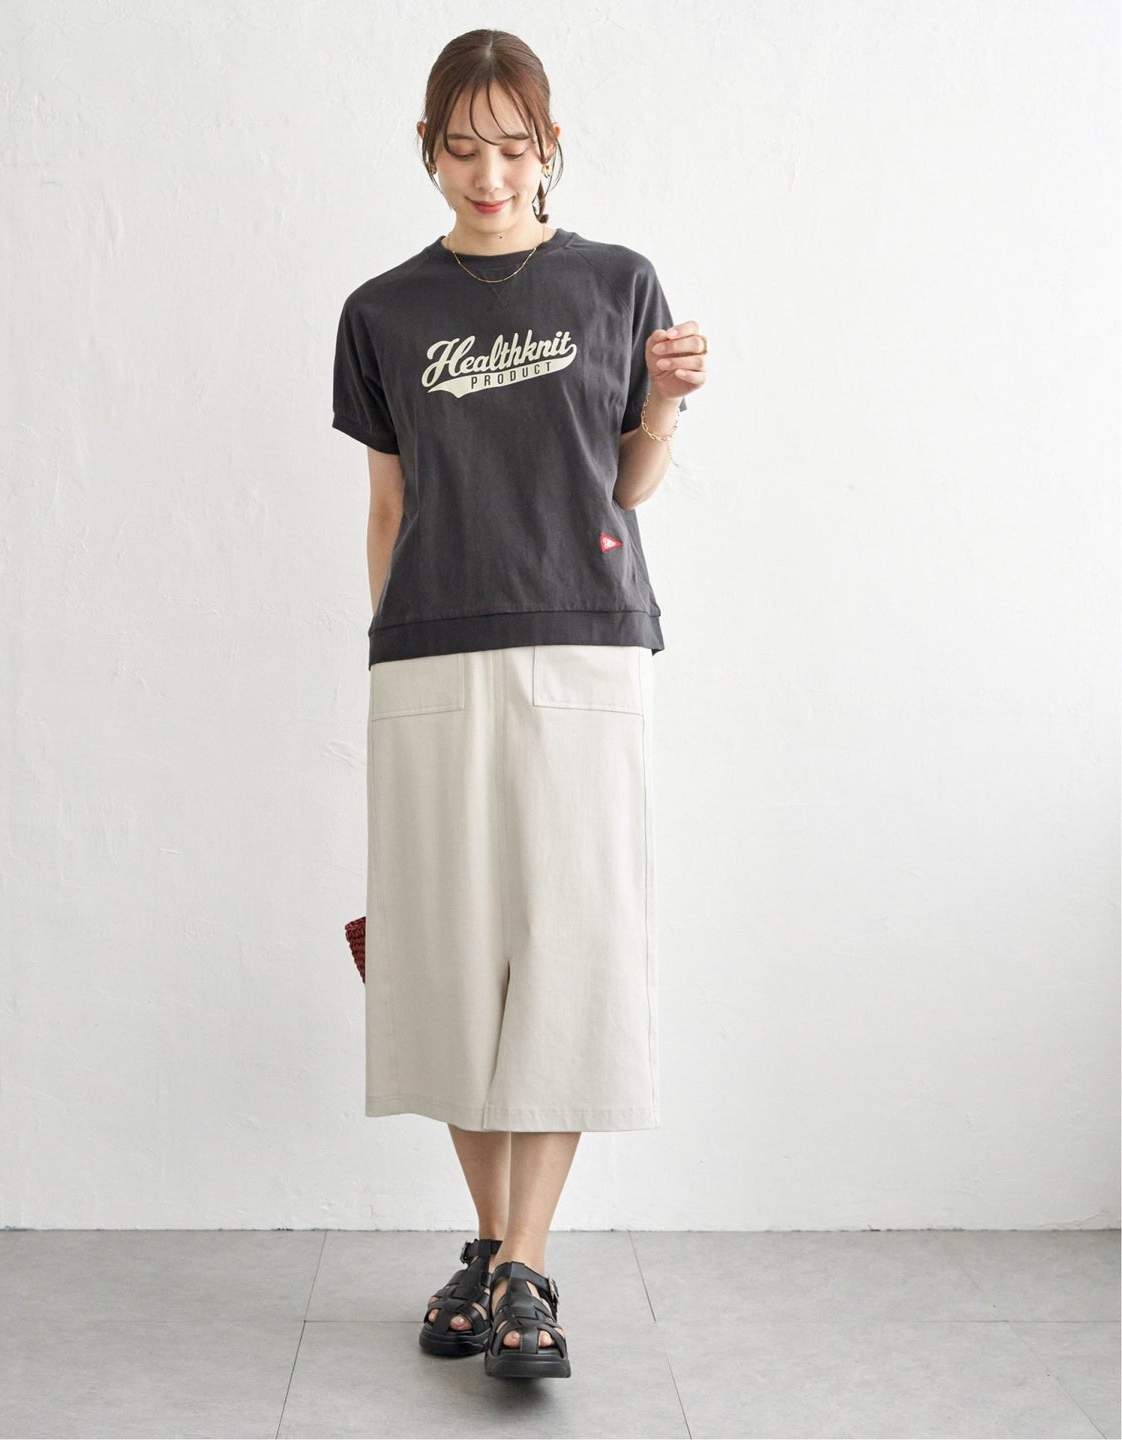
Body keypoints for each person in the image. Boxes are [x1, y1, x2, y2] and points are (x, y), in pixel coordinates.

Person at [331, 28, 707, 1380]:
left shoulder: (616, 282)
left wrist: (665, 406)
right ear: (426, 150)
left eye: (513, 147)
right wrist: (394, 642)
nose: (489, 175)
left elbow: (629, 484)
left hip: (587, 645)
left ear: (551, 148)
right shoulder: (382, 312)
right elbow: (386, 505)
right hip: (430, 653)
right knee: (447, 956)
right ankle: (496, 1254)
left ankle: (524, 1267)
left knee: (569, 948)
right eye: (462, 148)